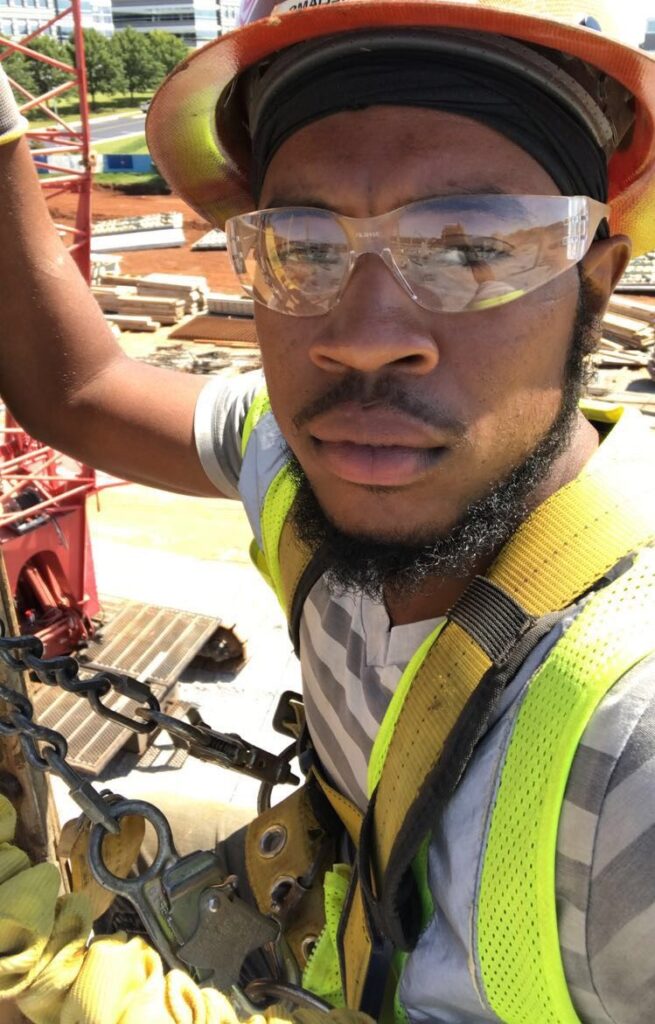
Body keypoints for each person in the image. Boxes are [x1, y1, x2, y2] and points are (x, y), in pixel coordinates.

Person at [0, 2, 655, 1022]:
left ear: (595, 285)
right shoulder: (303, 462)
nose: (361, 337)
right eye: (302, 247)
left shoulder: (634, 750)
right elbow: (79, 390)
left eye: (470, 246)